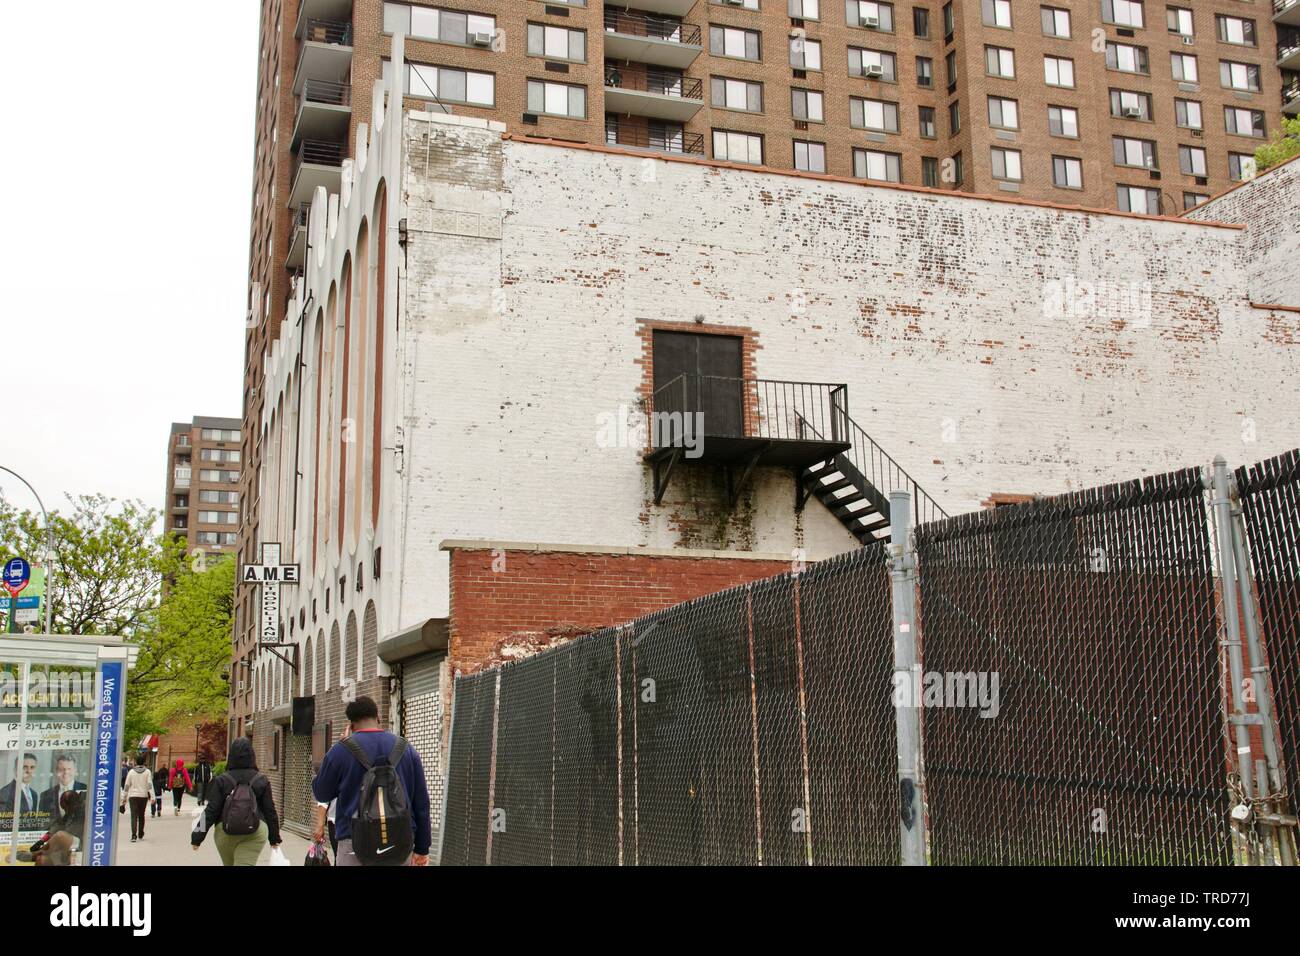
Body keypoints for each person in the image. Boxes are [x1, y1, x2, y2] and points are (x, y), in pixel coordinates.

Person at [311, 696, 431, 866]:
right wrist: (422, 848)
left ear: (351, 726)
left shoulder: (339, 751)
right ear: (378, 719)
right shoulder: (406, 749)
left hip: (354, 843)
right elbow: (421, 803)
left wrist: (336, 751)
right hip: (399, 842)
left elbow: (321, 792)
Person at [191, 737, 282, 866]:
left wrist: (197, 836)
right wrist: (274, 837)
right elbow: (270, 810)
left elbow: (211, 810)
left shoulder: (222, 780)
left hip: (225, 831)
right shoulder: (261, 780)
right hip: (255, 831)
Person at [119, 754, 154, 842]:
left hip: (133, 797)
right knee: (141, 815)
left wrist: (124, 798)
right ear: (144, 762)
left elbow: (127, 785)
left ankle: (133, 835)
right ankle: (141, 833)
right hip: (143, 796)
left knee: (133, 816)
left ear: (136, 762)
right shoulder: (147, 772)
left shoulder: (131, 772)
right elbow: (149, 785)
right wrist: (152, 796)